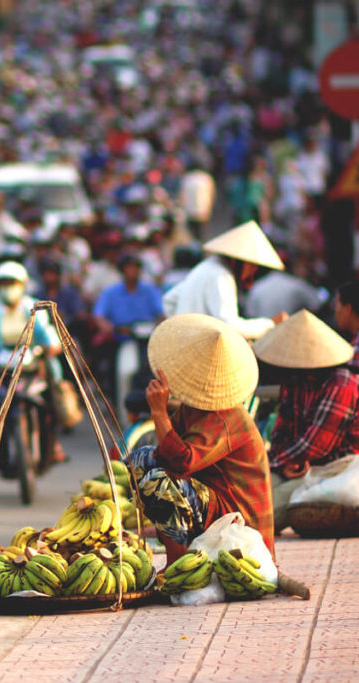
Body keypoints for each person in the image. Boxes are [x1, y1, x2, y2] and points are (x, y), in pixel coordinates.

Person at [125, 314, 274, 564]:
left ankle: (178, 567)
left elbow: (182, 463)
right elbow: (165, 454)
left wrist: (159, 413)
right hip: (217, 508)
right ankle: (182, 547)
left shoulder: (225, 417)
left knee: (161, 484)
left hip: (241, 529)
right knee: (141, 460)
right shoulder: (194, 408)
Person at [254, 302, 359, 533]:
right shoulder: (294, 383)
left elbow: (315, 446)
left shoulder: (341, 384)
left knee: (261, 512)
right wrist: (280, 465)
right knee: (248, 493)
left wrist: (273, 463)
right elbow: (282, 433)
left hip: (337, 470)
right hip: (302, 465)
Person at [162, 220, 288, 339]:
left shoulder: (206, 267)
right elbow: (229, 326)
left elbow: (169, 300)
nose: (253, 270)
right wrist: (269, 324)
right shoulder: (221, 275)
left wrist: (183, 328)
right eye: (252, 265)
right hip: (202, 350)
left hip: (187, 345)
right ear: (239, 260)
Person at [0, 261, 61, 396]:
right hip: (0, 360)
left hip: (30, 357)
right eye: (4, 284)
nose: (9, 288)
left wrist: (52, 345)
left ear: (22, 285)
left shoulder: (34, 307)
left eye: (13, 283)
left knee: (53, 377)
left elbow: (46, 331)